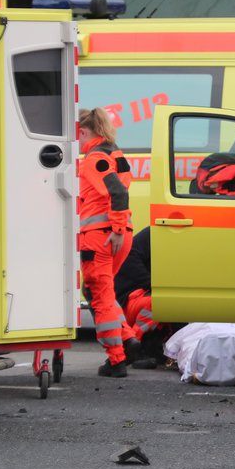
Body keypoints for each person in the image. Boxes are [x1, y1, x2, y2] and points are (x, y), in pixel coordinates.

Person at [78, 107, 139, 377]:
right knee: (102, 293)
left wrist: (114, 227)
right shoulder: (116, 152)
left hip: (101, 237)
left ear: (83, 132)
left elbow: (117, 192)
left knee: (99, 297)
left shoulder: (94, 158)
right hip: (118, 234)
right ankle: (129, 341)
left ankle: (116, 360)